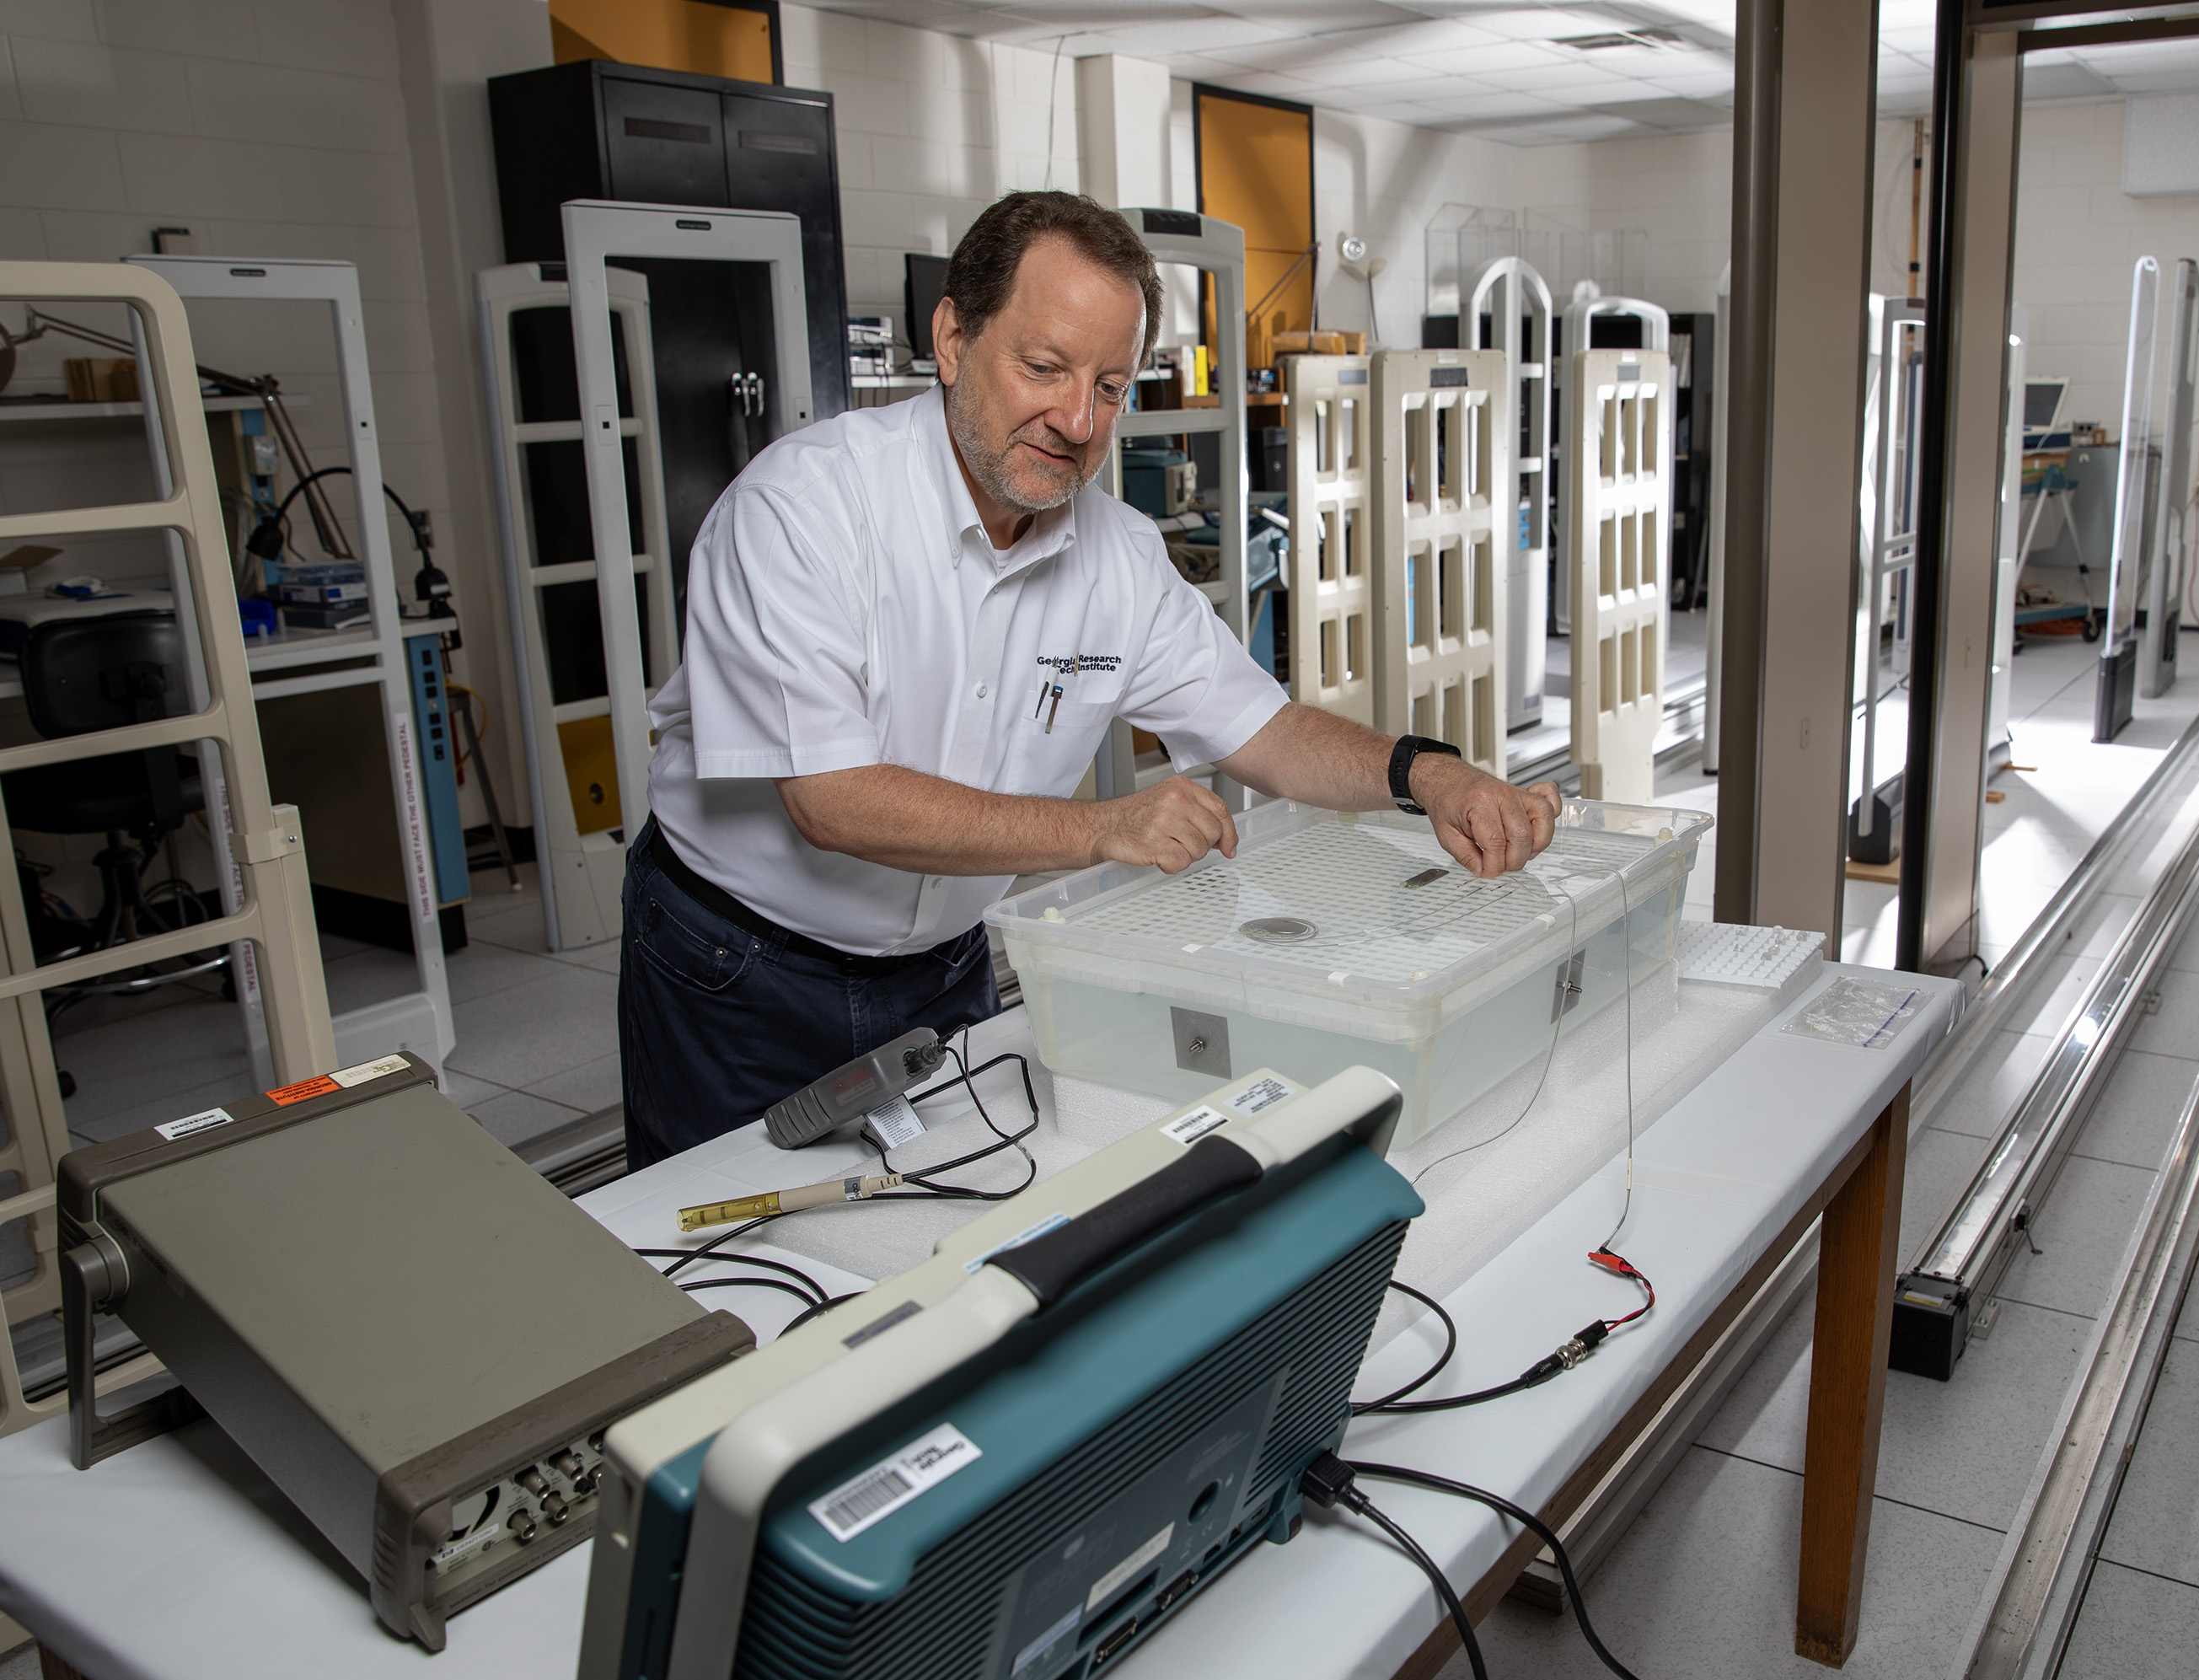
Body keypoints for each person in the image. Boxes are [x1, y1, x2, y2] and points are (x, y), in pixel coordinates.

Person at [619, 190, 1563, 1169]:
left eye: (1111, 386)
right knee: (710, 1260)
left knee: (948, 1232)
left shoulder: (1118, 556)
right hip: (737, 968)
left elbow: (1266, 731)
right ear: (951, 338)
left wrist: (1426, 773)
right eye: (1045, 367)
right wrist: (1103, 828)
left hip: (945, 966)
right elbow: (831, 799)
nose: (1077, 418)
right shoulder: (801, 512)